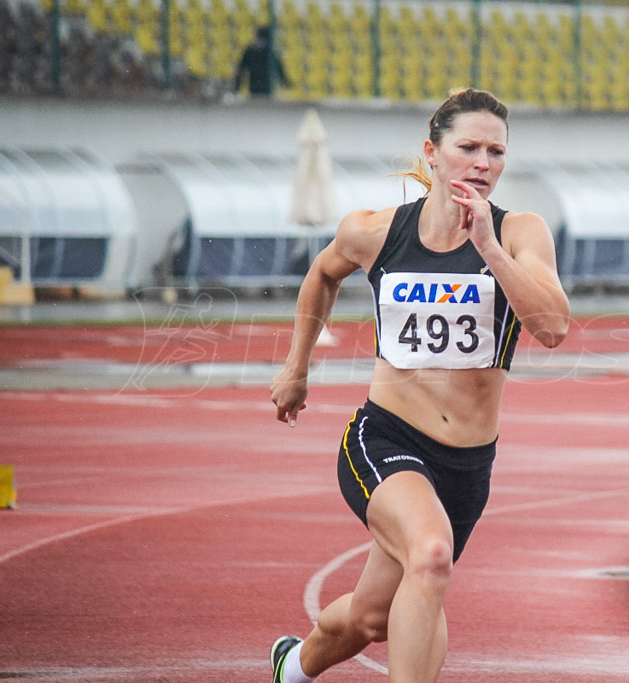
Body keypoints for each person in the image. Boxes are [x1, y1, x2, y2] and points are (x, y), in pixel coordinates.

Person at [268, 88, 570, 683]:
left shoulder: (518, 234)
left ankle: (293, 666)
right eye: (469, 148)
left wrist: (487, 247)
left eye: (496, 151)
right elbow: (322, 273)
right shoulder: (375, 231)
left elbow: (553, 326)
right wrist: (296, 368)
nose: (484, 163)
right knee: (431, 558)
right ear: (432, 153)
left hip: (466, 465)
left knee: (373, 617)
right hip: (385, 437)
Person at [234, 25, 289, 97]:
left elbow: (241, 68)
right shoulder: (264, 51)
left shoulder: (253, 50)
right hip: (259, 87)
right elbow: (241, 68)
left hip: (262, 87)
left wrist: (237, 86)